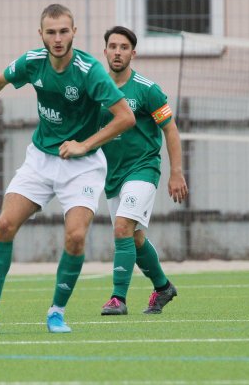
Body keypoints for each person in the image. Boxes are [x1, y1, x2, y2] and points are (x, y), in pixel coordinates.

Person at [0, 4, 135, 333]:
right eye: (51, 32)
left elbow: (125, 117)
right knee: (4, 224)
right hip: (41, 159)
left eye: (63, 31)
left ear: (74, 32)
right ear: (40, 34)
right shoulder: (33, 62)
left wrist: (85, 145)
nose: (57, 38)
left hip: (83, 166)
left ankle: (56, 312)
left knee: (75, 238)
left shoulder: (89, 71)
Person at [99, 26, 188, 315]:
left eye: (124, 47)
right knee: (134, 238)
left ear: (132, 53)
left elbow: (170, 130)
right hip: (112, 175)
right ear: (105, 52)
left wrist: (176, 172)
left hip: (143, 169)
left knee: (122, 227)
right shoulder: (97, 89)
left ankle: (117, 299)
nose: (117, 52)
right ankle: (163, 288)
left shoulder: (147, 90)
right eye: (113, 46)